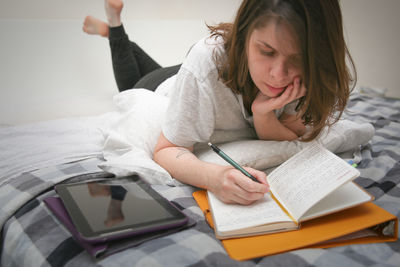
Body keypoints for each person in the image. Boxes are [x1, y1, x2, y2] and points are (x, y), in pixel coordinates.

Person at [84, 0, 356, 206]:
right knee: (136, 81)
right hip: (165, 86)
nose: (278, 75)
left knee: (161, 68)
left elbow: (287, 134)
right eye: (266, 51)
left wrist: (263, 115)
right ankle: (115, 27)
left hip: (196, 74)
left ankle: (115, 33)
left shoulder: (312, 75)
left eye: (297, 59)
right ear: (245, 34)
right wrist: (214, 178)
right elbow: (167, 149)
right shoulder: (205, 65)